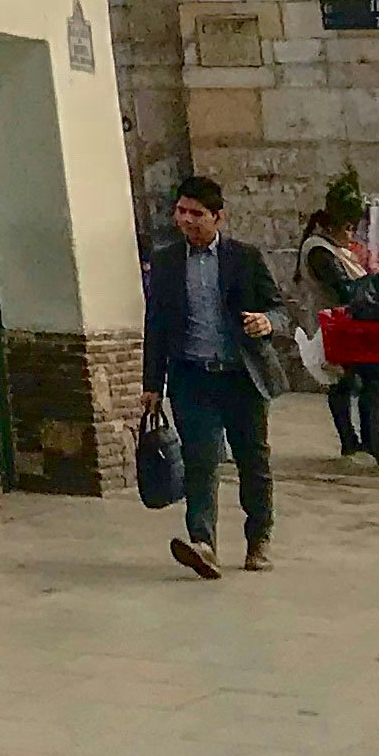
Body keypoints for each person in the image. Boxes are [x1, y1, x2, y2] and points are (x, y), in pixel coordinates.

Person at [142, 175, 287, 577]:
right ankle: (203, 542)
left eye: (197, 213)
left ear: (218, 217)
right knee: (200, 460)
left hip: (241, 376)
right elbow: (155, 323)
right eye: (181, 211)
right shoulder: (168, 261)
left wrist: (266, 322)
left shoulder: (244, 257)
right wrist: (152, 383)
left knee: (252, 461)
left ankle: (259, 540)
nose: (187, 220)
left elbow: (281, 309)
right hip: (192, 377)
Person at [299, 195, 379, 470]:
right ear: (333, 227)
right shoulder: (319, 251)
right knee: (354, 381)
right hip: (333, 327)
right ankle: (356, 439)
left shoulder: (335, 249)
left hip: (348, 325)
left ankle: (359, 440)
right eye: (347, 228)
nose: (351, 235)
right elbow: (342, 287)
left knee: (347, 382)